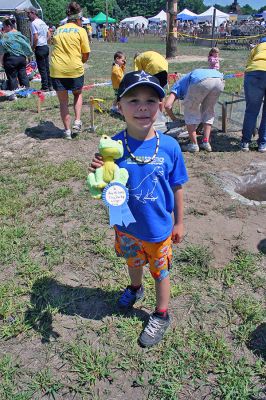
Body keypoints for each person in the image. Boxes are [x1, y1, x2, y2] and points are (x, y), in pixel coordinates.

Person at [89, 71, 188, 347]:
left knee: (161, 272)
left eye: (150, 100)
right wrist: (99, 172)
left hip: (157, 230)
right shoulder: (113, 147)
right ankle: (135, 287)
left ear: (160, 105)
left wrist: (179, 222)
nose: (142, 107)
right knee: (133, 262)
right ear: (119, 106)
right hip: (127, 227)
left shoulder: (169, 146)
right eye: (133, 100)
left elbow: (178, 186)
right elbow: (106, 180)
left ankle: (161, 313)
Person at [50, 1, 90, 139]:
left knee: (63, 102)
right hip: (74, 68)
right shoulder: (81, 30)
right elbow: (86, 54)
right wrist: (81, 62)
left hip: (57, 69)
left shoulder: (58, 29)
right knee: (78, 94)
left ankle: (67, 131)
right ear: (79, 19)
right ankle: (77, 121)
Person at [164, 68, 224, 153]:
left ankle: (194, 144)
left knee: (190, 111)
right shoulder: (186, 81)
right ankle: (206, 142)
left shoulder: (177, 85)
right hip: (219, 80)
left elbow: (167, 105)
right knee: (208, 111)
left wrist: (174, 119)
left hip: (200, 80)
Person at [240, 37, 266, 153]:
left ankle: (245, 142)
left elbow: (248, 64)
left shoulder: (256, 48)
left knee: (251, 110)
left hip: (254, 73)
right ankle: (262, 144)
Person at [0, 18, 33, 92]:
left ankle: (14, 93)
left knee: (12, 76)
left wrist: (1, 61)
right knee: (23, 75)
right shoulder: (19, 34)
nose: (3, 28)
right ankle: (27, 91)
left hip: (10, 59)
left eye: (4, 26)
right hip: (21, 58)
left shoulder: (5, 36)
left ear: (8, 26)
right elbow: (26, 45)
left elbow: (1, 50)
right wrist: (27, 56)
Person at [26, 6, 52, 91]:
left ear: (33, 13)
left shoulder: (33, 23)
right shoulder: (42, 22)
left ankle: (45, 87)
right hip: (45, 46)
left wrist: (33, 47)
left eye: (28, 13)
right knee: (47, 67)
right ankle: (50, 85)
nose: (27, 15)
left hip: (39, 47)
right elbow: (49, 34)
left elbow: (36, 37)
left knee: (42, 68)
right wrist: (44, 40)